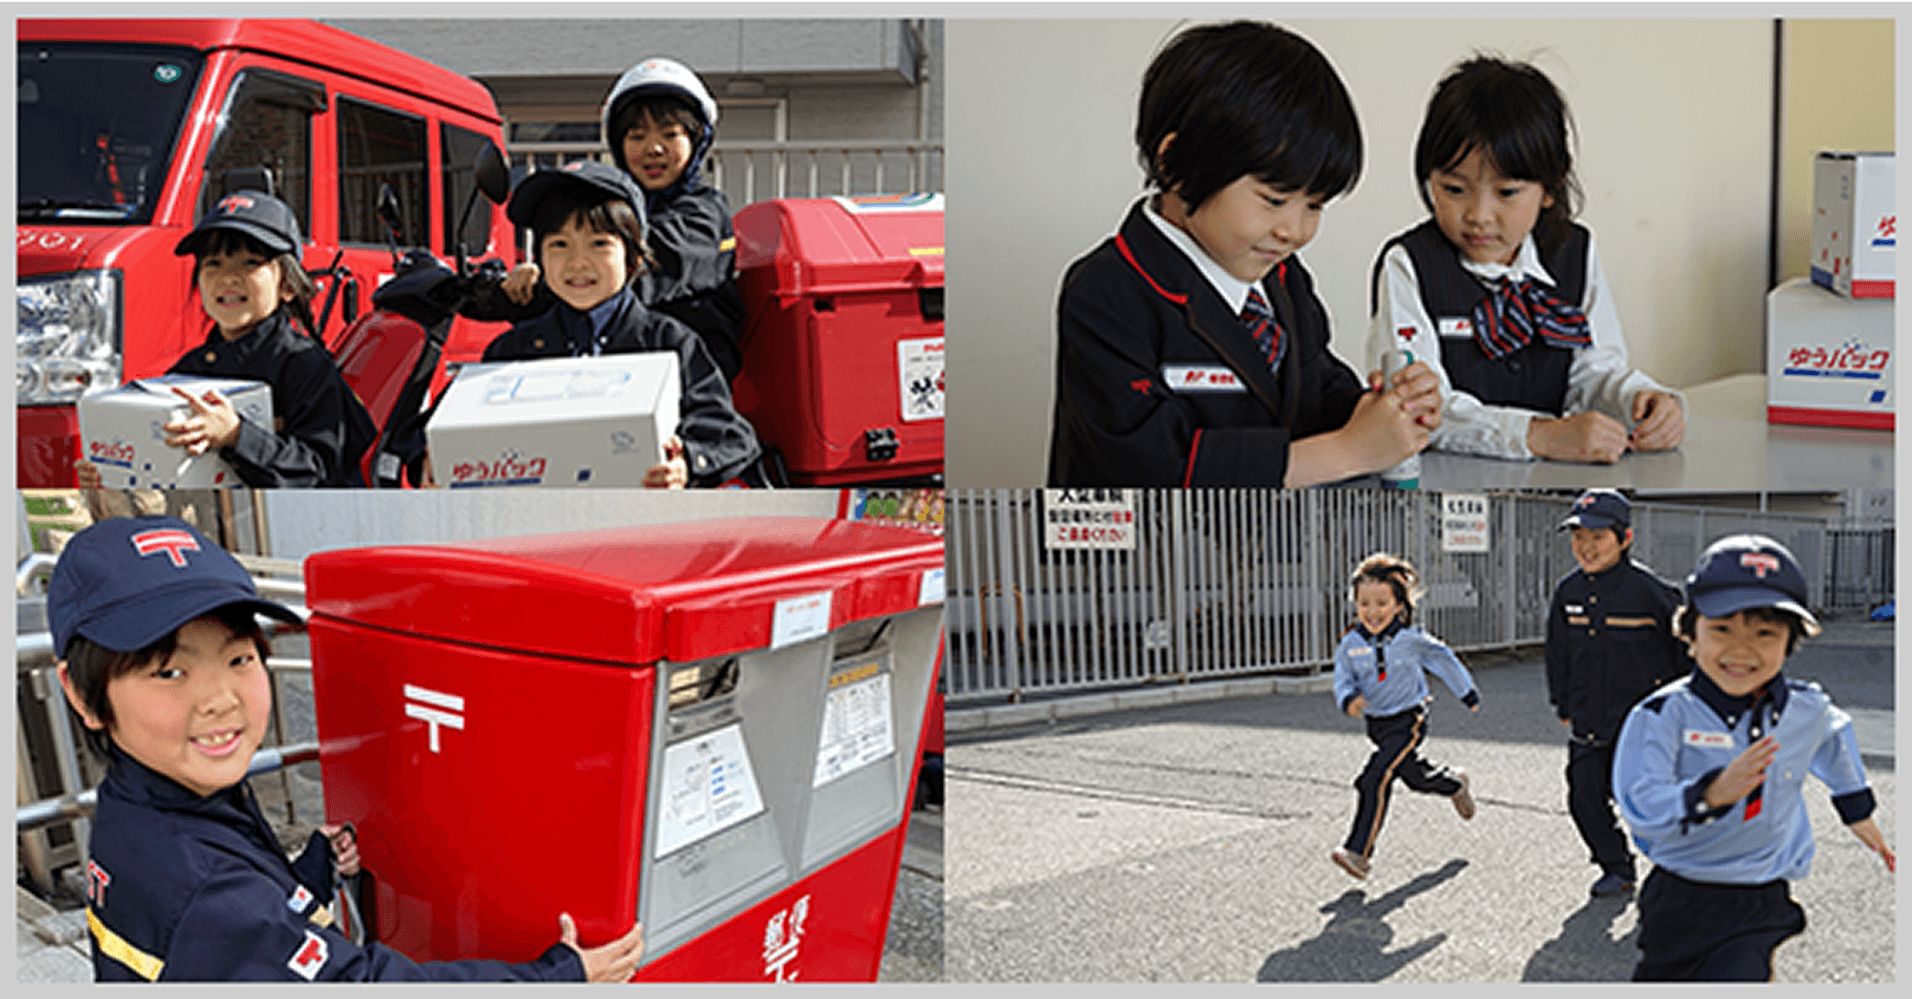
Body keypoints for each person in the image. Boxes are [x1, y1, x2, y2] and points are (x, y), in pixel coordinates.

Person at [48, 515, 646, 982]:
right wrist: (559, 977)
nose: (220, 701)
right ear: (81, 694)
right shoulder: (201, 885)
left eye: (238, 659)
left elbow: (248, 936)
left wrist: (312, 872)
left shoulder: (150, 802)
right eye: (169, 674)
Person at [1047, 20, 1442, 488]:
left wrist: (1382, 411)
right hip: (1145, 554)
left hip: (1268, 552)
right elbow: (1152, 464)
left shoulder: (1282, 277)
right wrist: (1348, 450)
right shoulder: (1106, 293)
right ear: (1173, 163)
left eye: (1314, 206)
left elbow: (1316, 389)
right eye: (1274, 200)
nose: (1294, 230)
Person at [1368, 56, 1684, 464]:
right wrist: (1538, 436)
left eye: (1507, 193)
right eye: (1453, 188)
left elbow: (1592, 370)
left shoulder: (1573, 253)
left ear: (1550, 188)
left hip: (1551, 487)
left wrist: (1642, 400)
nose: (1479, 215)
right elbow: (1417, 408)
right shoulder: (1409, 264)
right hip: (1442, 488)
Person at [1613, 534, 1895, 981]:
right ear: (1689, 632)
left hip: (1761, 893)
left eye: (1765, 634)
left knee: (1741, 972)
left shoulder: (1807, 709)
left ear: (1792, 640)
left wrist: (1859, 814)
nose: (1742, 650)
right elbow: (1638, 798)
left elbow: (1835, 740)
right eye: (1722, 629)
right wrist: (1711, 793)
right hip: (1681, 892)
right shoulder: (1663, 714)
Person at [484, 159, 760, 488]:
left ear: (634, 259)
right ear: (539, 259)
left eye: (599, 244)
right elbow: (450, 424)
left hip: (644, 529)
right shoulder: (512, 350)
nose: (577, 262)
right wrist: (425, 458)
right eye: (559, 245)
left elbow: (731, 436)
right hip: (539, 530)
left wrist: (687, 463)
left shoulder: (669, 342)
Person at [77, 192, 376, 488]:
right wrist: (111, 475)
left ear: (287, 285)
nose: (228, 277)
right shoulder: (189, 369)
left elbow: (320, 472)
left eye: (250, 262)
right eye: (213, 263)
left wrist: (237, 435)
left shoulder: (305, 366)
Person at [503, 58, 745, 381]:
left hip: (689, 379)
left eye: (670, 134)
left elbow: (651, 261)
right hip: (619, 369)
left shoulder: (705, 213)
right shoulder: (612, 208)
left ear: (697, 141)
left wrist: (552, 280)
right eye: (637, 136)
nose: (653, 148)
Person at [1544, 489, 1688, 898]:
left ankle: (1682, 872)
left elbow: (1687, 655)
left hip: (1645, 724)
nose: (1585, 547)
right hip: (1589, 717)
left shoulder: (1652, 593)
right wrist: (1563, 704)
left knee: (1648, 804)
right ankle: (1617, 867)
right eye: (1578, 537)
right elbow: (1558, 653)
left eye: (1597, 537)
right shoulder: (1568, 593)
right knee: (1584, 798)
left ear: (1625, 539)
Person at [1329, 553, 1480, 880]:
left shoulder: (1411, 640)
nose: (1372, 612)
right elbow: (1343, 677)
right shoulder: (1351, 644)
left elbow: (1443, 659)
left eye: (1381, 603)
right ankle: (1455, 783)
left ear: (1399, 605)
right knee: (1415, 776)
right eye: (1364, 603)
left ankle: (1359, 853)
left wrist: (1466, 691)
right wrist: (1348, 698)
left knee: (1373, 778)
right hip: (1378, 725)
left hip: (1408, 720)